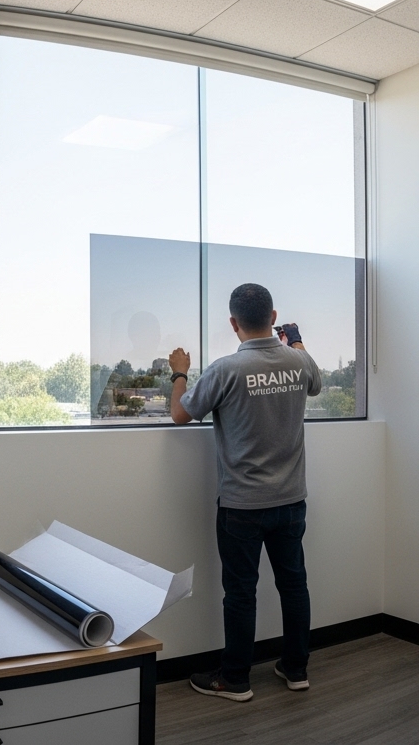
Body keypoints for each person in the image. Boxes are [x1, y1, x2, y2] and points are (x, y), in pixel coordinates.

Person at [168, 283, 321, 702]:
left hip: (242, 505)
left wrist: (180, 372)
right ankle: (296, 669)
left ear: (233, 323)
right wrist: (296, 340)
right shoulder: (299, 360)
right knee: (294, 586)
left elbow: (180, 414)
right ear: (273, 318)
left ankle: (235, 678)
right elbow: (315, 382)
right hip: (291, 501)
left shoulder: (226, 370)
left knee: (240, 593)